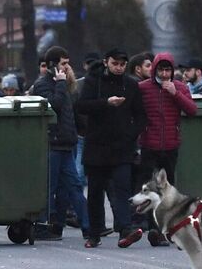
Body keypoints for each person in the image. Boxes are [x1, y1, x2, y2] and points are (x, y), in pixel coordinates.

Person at [75, 48, 147, 247]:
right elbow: (82, 106)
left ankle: (126, 229)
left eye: (122, 64)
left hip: (122, 147)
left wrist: (131, 135)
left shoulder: (131, 85)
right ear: (106, 62)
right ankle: (94, 233)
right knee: (96, 191)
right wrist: (106, 103)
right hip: (97, 145)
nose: (119, 68)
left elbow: (141, 115)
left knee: (122, 188)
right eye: (115, 63)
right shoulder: (93, 81)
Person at [136, 52, 198, 242]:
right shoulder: (143, 88)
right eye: (161, 70)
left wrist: (175, 93)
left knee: (168, 188)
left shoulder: (179, 87)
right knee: (150, 188)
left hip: (170, 144)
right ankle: (153, 227)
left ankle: (168, 226)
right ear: (155, 69)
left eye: (167, 70)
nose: (164, 74)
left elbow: (192, 110)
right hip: (149, 144)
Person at [31, 48, 84, 240]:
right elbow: (55, 105)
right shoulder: (44, 84)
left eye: (68, 63)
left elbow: (71, 113)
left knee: (71, 187)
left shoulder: (67, 84)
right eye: (63, 63)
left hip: (67, 142)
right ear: (54, 66)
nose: (67, 67)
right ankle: (44, 225)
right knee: (50, 188)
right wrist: (61, 84)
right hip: (53, 143)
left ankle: (81, 226)